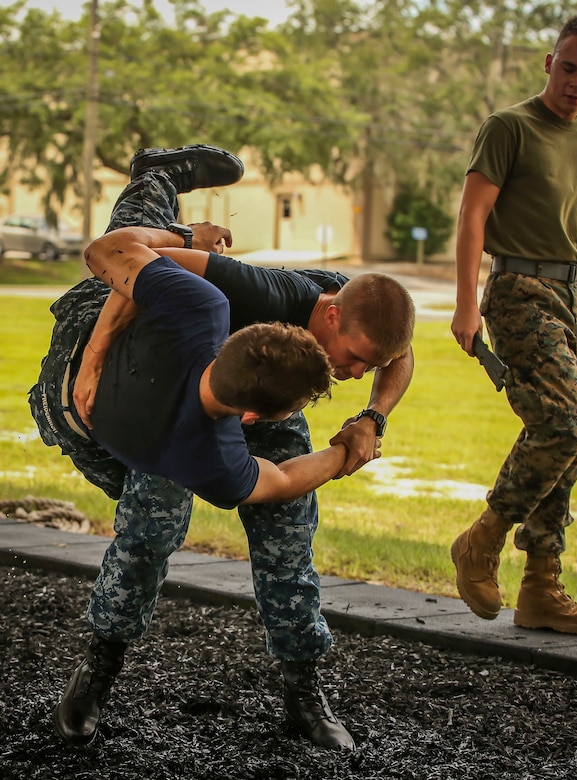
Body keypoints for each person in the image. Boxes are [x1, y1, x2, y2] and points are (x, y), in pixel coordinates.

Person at [32, 145, 415, 751]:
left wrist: (372, 418)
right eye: (355, 360)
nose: (356, 371)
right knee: (148, 534)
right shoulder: (252, 289)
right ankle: (96, 674)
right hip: (189, 391)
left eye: (368, 366)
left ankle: (302, 689)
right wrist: (99, 353)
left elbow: (397, 354)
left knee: (290, 545)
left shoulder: (356, 301)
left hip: (271, 403)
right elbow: (139, 259)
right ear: (332, 319)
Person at [450, 16, 577, 636]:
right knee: (559, 423)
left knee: (573, 442)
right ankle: (482, 538)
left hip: (573, 294)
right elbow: (472, 216)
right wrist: (465, 302)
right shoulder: (509, 127)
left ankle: (541, 587)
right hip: (516, 291)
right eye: (569, 67)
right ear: (548, 62)